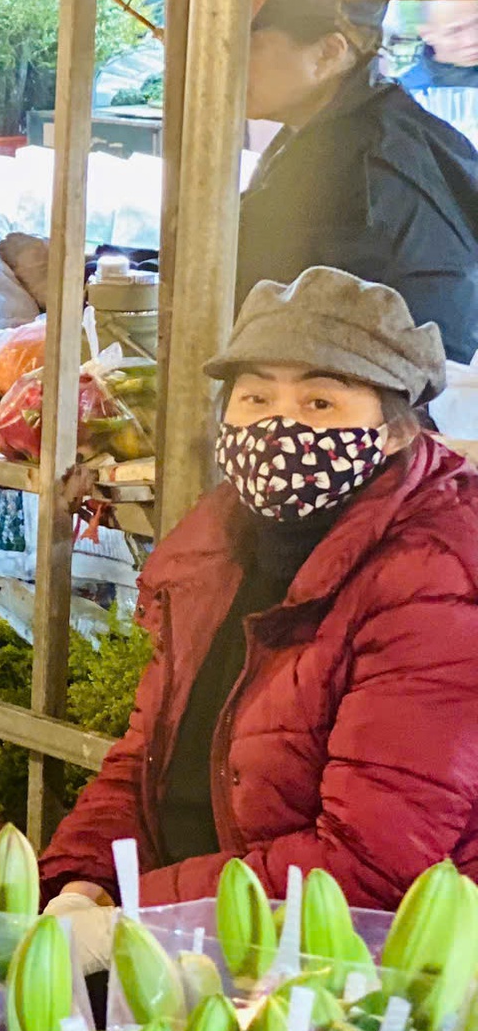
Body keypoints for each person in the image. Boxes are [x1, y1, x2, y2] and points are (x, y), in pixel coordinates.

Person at [40, 267, 478, 917]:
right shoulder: (216, 546)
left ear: (396, 431)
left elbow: (371, 862)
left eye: (320, 403)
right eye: (255, 399)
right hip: (199, 934)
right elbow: (144, 761)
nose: (279, 428)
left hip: (346, 968)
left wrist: (135, 914)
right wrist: (82, 881)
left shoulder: (434, 576)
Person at [238, 0, 478, 363]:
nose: (223, 63)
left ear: (329, 54)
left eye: (249, 44)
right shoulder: (358, 124)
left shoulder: (357, 164)